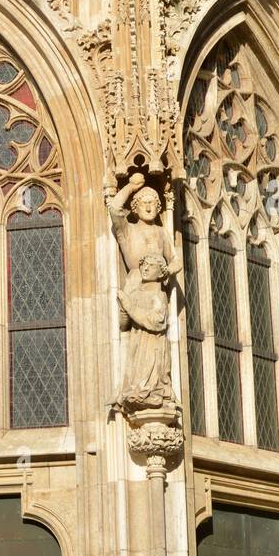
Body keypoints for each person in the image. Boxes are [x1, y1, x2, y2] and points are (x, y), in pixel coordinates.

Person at [109, 173, 182, 415]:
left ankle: (155, 389)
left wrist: (166, 272)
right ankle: (136, 387)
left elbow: (176, 259)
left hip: (156, 293)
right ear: (136, 208)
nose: (150, 207)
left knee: (155, 344)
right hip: (134, 286)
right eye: (144, 203)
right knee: (134, 341)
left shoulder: (162, 233)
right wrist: (130, 187)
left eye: (154, 203)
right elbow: (115, 208)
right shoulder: (127, 230)